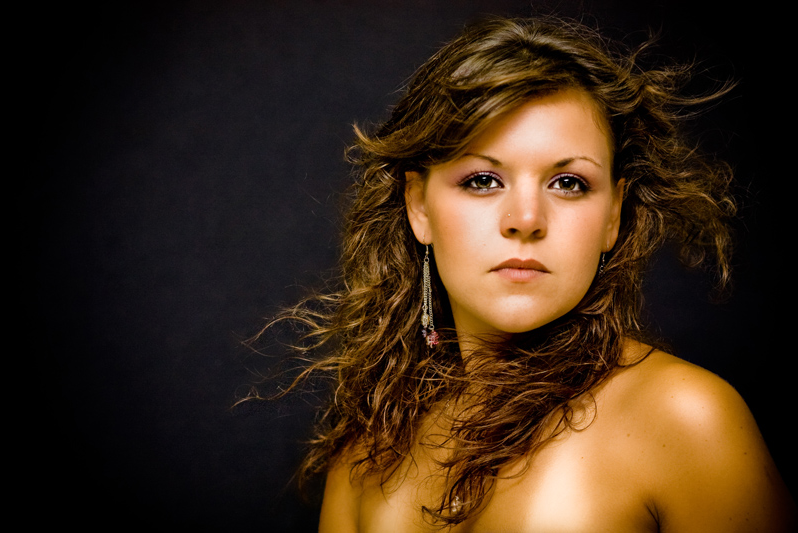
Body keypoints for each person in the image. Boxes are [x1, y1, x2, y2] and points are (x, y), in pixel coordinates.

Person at [265, 16, 794, 531]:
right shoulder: (366, 451)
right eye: (482, 180)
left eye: (568, 183)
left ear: (613, 216)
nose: (525, 219)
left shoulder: (685, 417)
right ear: (418, 206)